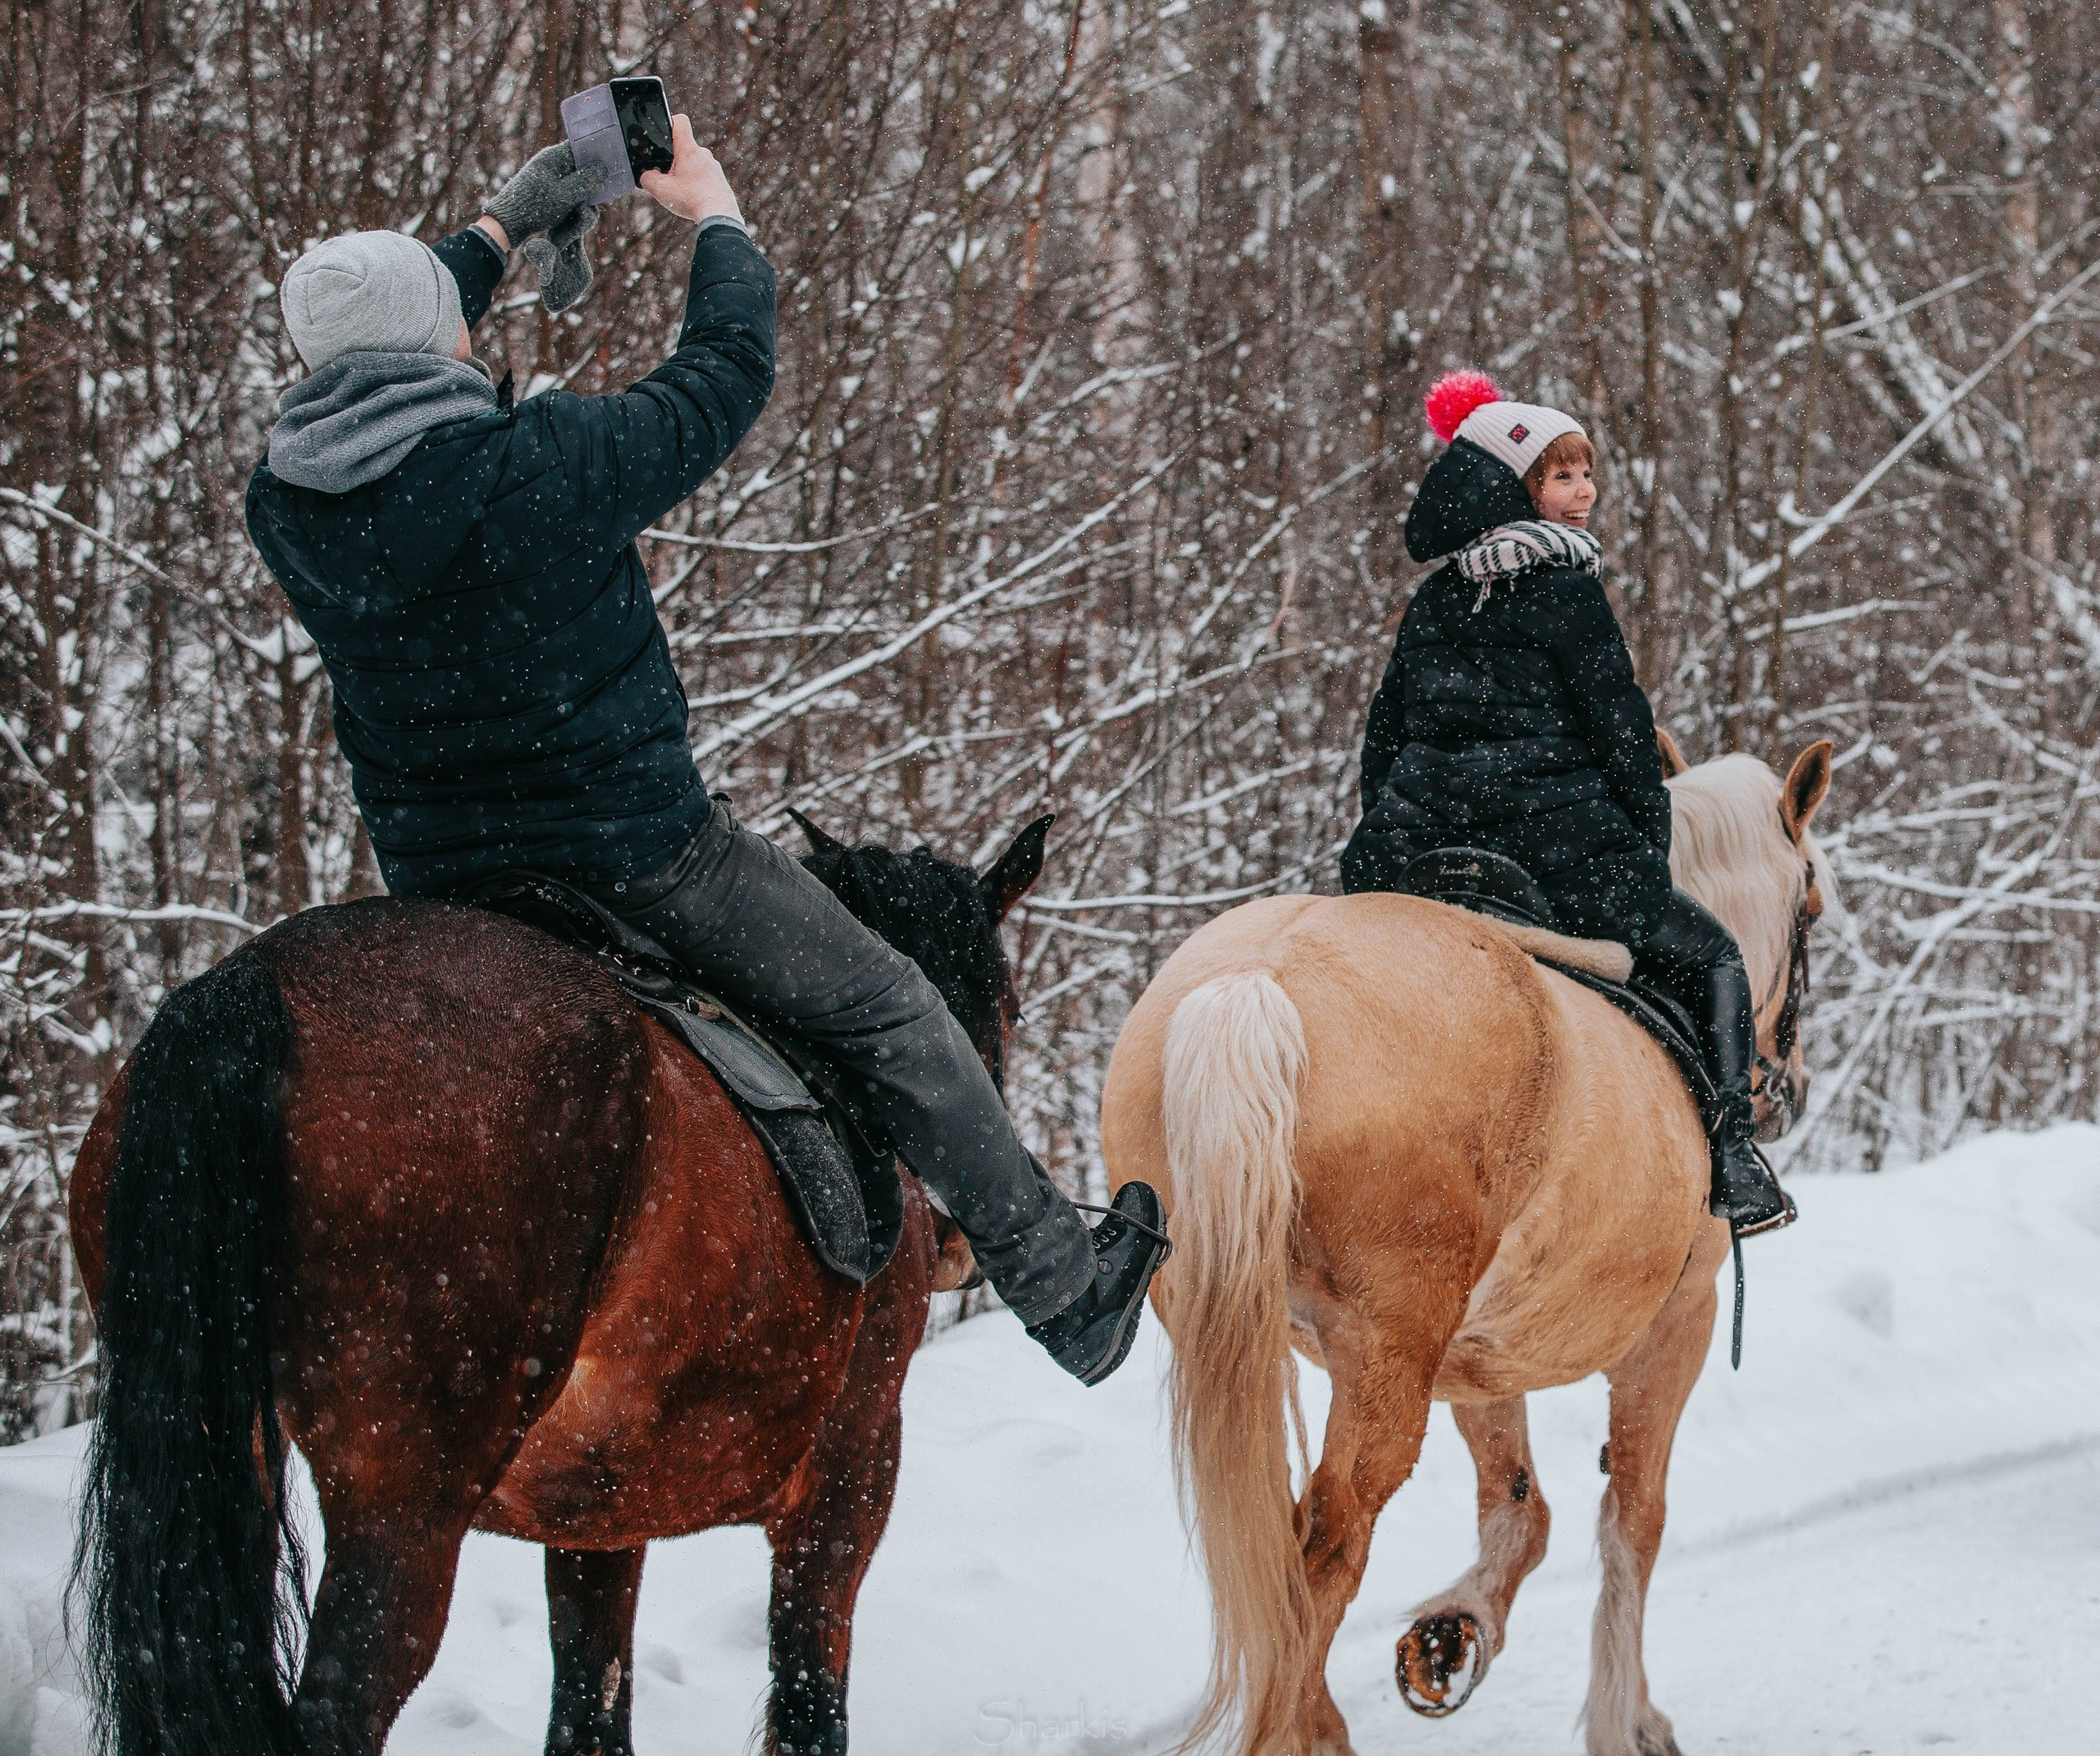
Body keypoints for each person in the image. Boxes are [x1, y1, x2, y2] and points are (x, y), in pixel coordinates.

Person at [244, 117, 1166, 1380]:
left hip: (443, 881)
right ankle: (1070, 1291)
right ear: (435, 347)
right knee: (893, 1008)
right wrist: (718, 221)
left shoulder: (288, 501)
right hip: (639, 855)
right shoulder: (544, 465)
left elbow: (394, 333)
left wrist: (509, 225)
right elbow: (723, 372)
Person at [1340, 371, 1792, 1237]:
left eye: (1587, 472)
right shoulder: (1567, 588)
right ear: (1515, 489)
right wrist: (1643, 848)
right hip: (1554, 854)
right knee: (1712, 956)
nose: (1583, 491)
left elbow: (1382, 739)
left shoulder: (1432, 597)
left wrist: (1386, 836)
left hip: (1414, 852)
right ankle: (1736, 1161)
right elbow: (1621, 728)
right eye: (1560, 475)